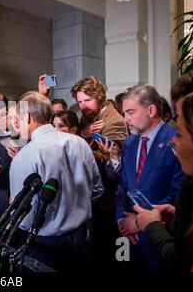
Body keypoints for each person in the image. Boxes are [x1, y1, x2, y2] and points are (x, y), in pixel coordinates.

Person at [9, 91, 103, 271]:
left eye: (17, 117)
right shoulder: (80, 142)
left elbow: (25, 219)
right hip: (83, 237)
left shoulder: (24, 156)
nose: (15, 123)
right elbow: (97, 189)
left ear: (27, 117)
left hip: (44, 245)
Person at [115, 85, 185, 270]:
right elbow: (123, 185)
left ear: (151, 110)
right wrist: (121, 221)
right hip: (128, 238)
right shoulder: (128, 143)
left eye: (130, 112)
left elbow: (178, 191)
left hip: (162, 239)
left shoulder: (176, 141)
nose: (125, 119)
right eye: (124, 113)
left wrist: (139, 222)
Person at [133, 91, 193, 271]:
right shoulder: (130, 143)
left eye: (180, 134)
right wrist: (177, 214)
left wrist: (153, 225)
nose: (174, 143)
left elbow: (179, 261)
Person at [71, 75, 128, 268]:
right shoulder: (86, 118)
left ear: (100, 97)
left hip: (108, 198)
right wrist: (82, 134)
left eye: (88, 100)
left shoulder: (114, 122)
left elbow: (108, 160)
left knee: (110, 252)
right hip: (91, 198)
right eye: (79, 101)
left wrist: (76, 142)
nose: (83, 105)